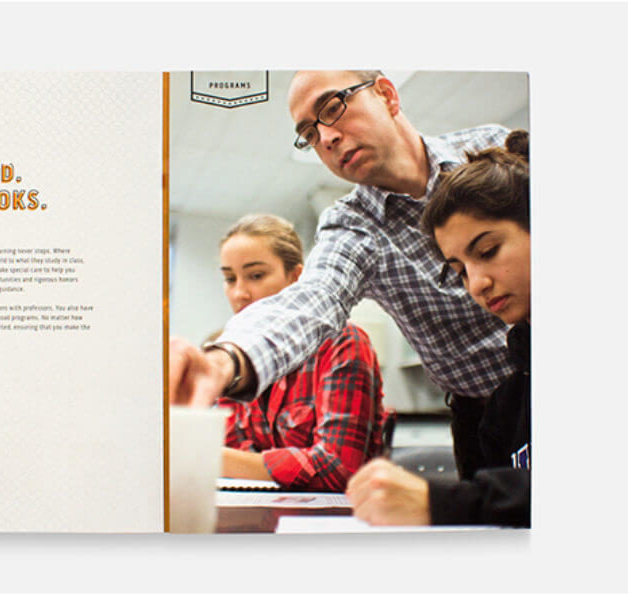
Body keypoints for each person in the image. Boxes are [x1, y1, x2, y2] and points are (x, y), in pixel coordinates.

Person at [169, 70, 517, 478]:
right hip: (485, 417)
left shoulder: (492, 149)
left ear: (387, 94)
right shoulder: (354, 226)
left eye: (332, 108)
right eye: (310, 135)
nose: (327, 138)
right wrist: (223, 361)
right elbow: (314, 298)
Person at [346, 130, 531, 526]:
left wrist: (445, 504)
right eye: (460, 271)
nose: (476, 285)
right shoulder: (506, 406)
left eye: (488, 251)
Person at [214, 214, 386, 491]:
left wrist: (212, 458)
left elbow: (338, 467)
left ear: (296, 278)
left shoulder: (341, 343)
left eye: (256, 275)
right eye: (229, 278)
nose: (239, 293)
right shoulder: (231, 355)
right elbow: (230, 443)